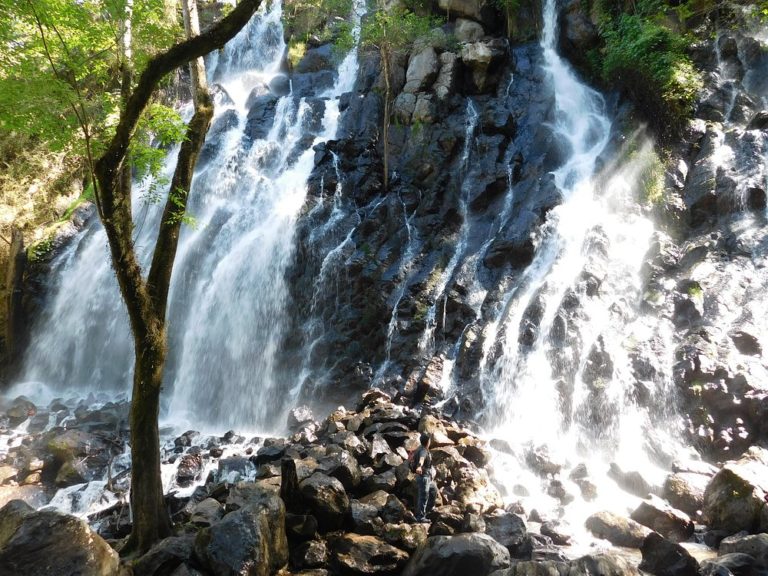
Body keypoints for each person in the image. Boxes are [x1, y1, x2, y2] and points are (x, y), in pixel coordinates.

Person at [411, 432, 437, 522]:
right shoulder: (423, 451)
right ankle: (420, 517)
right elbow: (422, 459)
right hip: (423, 477)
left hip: (427, 478)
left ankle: (428, 511)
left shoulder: (421, 448)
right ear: (428, 441)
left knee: (433, 490)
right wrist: (419, 466)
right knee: (423, 497)